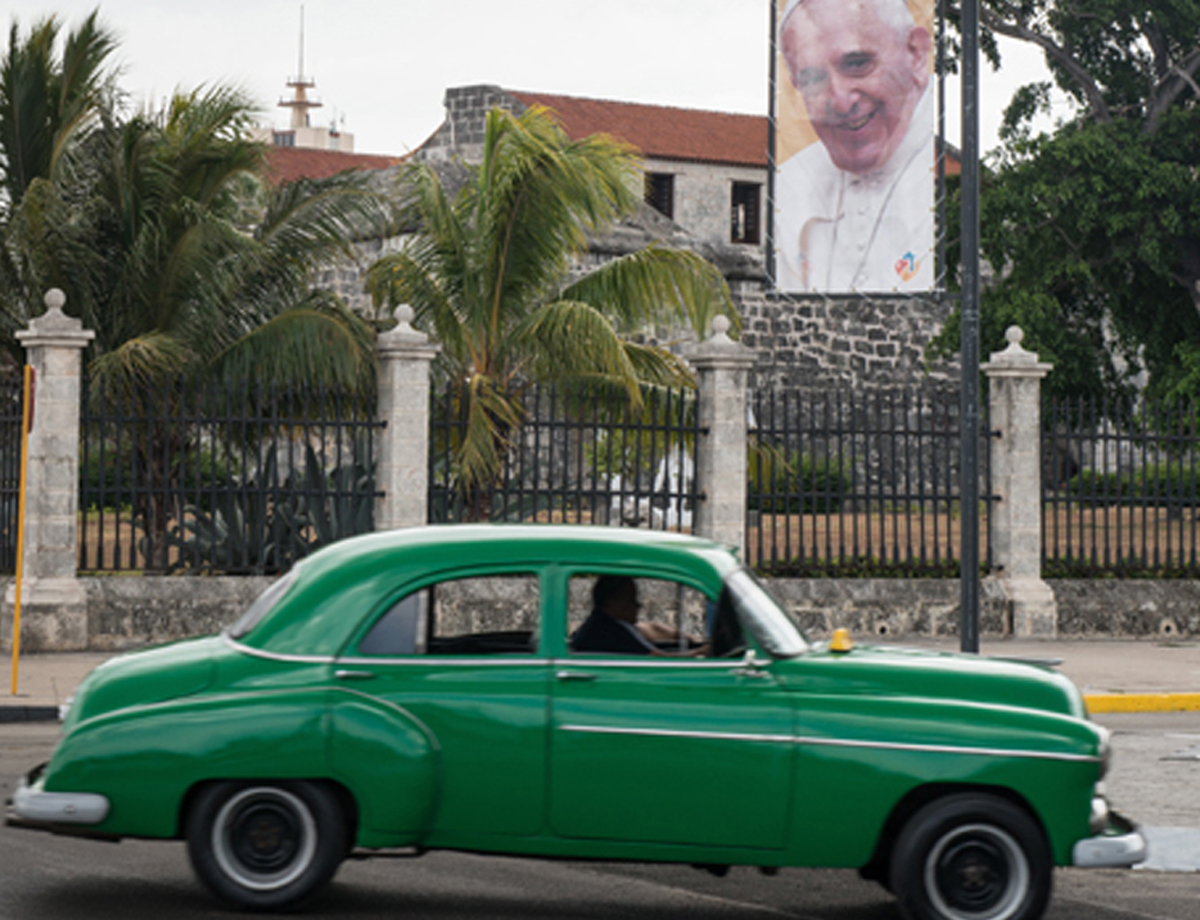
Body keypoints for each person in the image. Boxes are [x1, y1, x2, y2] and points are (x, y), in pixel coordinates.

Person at [775, 0, 934, 293]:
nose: (841, 101)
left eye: (858, 64)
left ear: (916, 54)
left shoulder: (947, 175)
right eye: (813, 79)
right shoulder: (788, 184)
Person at [570, 575, 704, 656]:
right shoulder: (606, 631)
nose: (637, 605)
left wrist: (691, 639)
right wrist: (700, 653)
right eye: (630, 600)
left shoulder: (611, 622)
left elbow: (650, 628)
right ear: (612, 602)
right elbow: (658, 660)